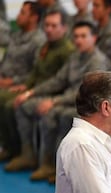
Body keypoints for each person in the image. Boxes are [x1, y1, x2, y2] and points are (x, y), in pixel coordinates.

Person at [5, 21, 110, 178]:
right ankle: (29, 155)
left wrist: (54, 101)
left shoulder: (97, 61)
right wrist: (31, 92)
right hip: (66, 99)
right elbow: (58, 80)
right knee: (24, 105)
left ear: (94, 38)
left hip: (87, 104)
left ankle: (60, 166)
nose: (78, 40)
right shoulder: (75, 57)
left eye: (83, 36)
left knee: (55, 114)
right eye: (76, 36)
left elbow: (86, 92)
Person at [0, 9, 74, 162]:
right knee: (7, 99)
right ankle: (13, 148)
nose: (49, 29)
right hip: (37, 89)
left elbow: (59, 81)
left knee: (10, 104)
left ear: (64, 28)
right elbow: (35, 71)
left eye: (54, 26)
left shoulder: (67, 51)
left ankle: (19, 150)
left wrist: (31, 92)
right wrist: (25, 86)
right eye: (46, 25)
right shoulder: (46, 46)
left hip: (53, 93)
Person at [0, 1, 45, 89]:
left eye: (22, 13)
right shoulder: (17, 35)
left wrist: (12, 81)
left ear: (33, 18)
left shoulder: (38, 41)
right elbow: (6, 60)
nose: (18, 16)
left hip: (16, 85)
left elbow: (36, 73)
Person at [92, 0, 111, 64]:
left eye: (97, 6)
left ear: (108, 9)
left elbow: (107, 62)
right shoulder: (93, 29)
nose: (93, 10)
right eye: (93, 6)